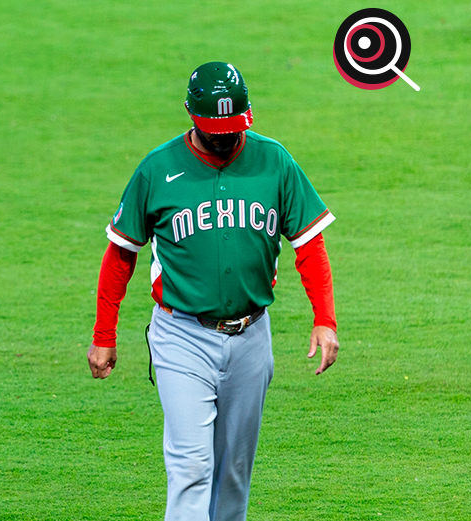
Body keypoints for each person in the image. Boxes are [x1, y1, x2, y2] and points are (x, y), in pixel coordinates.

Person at [87, 62, 340, 521]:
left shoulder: (274, 161)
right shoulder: (158, 169)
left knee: (234, 474)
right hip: (181, 336)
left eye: (231, 129)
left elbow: (309, 245)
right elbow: (120, 253)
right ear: (189, 114)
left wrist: (325, 319)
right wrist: (105, 335)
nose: (224, 139)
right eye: (213, 131)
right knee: (192, 467)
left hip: (251, 338)